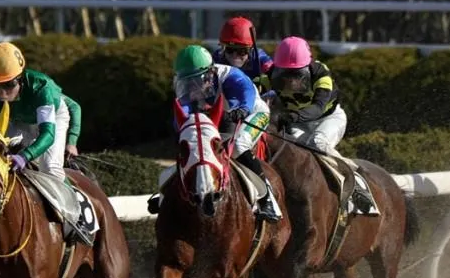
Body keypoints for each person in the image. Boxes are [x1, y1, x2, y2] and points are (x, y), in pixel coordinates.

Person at [0, 41, 94, 246]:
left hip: (50, 121)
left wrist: (25, 155)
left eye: (8, 85)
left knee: (49, 166)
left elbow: (47, 134)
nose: (2, 94)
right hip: (14, 119)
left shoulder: (41, 87)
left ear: (21, 78)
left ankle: (76, 216)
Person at [149, 44, 282, 221]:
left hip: (251, 114)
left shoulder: (231, 76)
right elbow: (181, 118)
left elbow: (246, 95)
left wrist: (241, 109)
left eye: (198, 81)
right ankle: (169, 193)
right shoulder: (190, 89)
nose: (193, 88)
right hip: (220, 121)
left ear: (211, 72)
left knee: (238, 147)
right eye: (188, 83)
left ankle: (268, 200)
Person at [263, 36, 377, 214]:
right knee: (294, 149)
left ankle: (357, 181)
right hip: (299, 122)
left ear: (307, 67)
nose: (292, 82)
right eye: (286, 74)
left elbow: (318, 107)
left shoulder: (321, 73)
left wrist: (293, 116)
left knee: (317, 143)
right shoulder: (269, 75)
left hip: (328, 118)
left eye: (297, 75)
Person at [213, 16, 273, 82]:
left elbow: (274, 70)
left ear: (251, 49)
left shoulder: (259, 57)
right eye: (229, 50)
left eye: (241, 51)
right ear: (222, 48)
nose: (235, 55)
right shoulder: (217, 58)